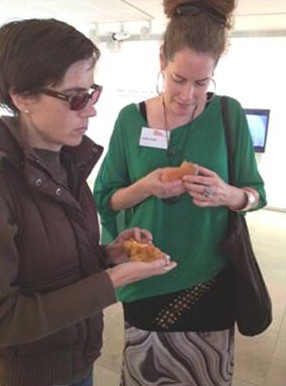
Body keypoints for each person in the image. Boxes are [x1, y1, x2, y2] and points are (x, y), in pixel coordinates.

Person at [94, 1, 267, 385]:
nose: (188, 95)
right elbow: (105, 198)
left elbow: (256, 194)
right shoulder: (130, 119)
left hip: (211, 280)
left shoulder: (229, 114)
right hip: (145, 279)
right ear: (161, 59)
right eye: (178, 79)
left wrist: (229, 195)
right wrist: (144, 187)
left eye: (202, 83)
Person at [0, 18, 177, 386]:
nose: (91, 110)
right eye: (76, 97)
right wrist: (112, 281)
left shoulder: (69, 161)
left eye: (92, 93)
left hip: (79, 361)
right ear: (22, 97)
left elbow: (54, 268)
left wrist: (107, 255)